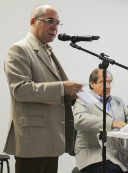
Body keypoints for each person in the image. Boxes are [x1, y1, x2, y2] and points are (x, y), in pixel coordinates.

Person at [3, 5, 83, 173]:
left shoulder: (47, 51)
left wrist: (70, 95)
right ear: (33, 21)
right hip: (33, 140)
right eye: (49, 21)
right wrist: (62, 88)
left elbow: (50, 89)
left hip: (52, 137)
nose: (55, 27)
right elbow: (21, 90)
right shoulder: (19, 49)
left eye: (57, 22)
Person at [73, 68, 128, 173]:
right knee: (116, 170)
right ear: (92, 84)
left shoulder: (117, 101)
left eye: (109, 83)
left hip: (116, 153)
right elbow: (78, 119)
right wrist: (111, 122)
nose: (108, 86)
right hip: (93, 153)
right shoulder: (83, 100)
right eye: (103, 82)